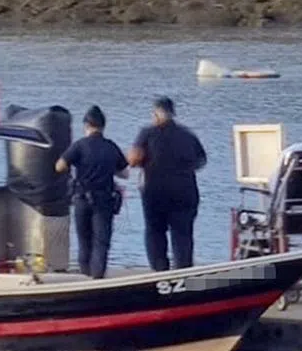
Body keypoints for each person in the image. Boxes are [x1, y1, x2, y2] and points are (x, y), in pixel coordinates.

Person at [127, 96, 207, 271]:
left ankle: (160, 271)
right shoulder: (188, 135)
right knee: (183, 234)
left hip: (155, 192)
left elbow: (133, 159)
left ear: (156, 114)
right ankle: (183, 271)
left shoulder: (146, 134)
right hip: (185, 191)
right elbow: (201, 160)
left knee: (155, 232)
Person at [55, 106, 128, 279]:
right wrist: (109, 169)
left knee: (84, 241)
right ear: (103, 126)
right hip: (104, 200)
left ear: (86, 125)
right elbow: (125, 173)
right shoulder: (111, 147)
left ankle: (85, 277)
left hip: (81, 198)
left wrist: (75, 168)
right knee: (101, 242)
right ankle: (98, 277)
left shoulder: (79, 145)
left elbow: (59, 166)